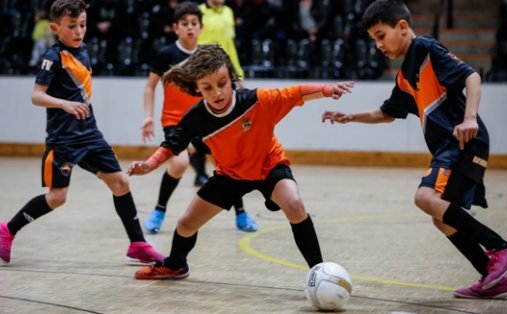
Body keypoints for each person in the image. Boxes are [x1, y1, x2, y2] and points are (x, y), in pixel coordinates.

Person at [321, 0, 507, 299]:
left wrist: (469, 118)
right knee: (440, 216)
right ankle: (493, 278)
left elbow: (472, 76)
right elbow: (386, 113)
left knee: (424, 197)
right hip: (452, 146)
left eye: (380, 35)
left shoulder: (427, 50)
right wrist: (350, 117)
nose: (378, 45)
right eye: (374, 39)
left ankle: (503, 248)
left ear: (402, 27)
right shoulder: (405, 76)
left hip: (462, 141)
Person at [128, 44, 354, 280]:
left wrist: (328, 89)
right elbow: (172, 144)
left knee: (294, 203)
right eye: (207, 87)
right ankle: (175, 265)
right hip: (230, 175)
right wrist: (149, 165)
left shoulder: (257, 101)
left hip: (269, 166)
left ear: (232, 78)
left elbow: (296, 93)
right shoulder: (197, 118)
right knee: (185, 224)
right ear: (197, 88)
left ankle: (320, 272)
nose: (217, 93)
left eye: (222, 83)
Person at [0, 0, 163, 265]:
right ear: (55, 28)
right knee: (58, 198)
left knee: (121, 183)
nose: (79, 31)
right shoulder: (53, 57)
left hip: (90, 134)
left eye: (82, 24)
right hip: (63, 139)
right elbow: (36, 96)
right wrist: (64, 104)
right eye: (72, 26)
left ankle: (138, 244)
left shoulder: (83, 50)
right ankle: (6, 230)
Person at [140, 1, 258, 233]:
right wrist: (148, 117)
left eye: (194, 23)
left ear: (201, 27)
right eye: (185, 24)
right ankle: (159, 210)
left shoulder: (206, 55)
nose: (190, 28)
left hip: (205, 120)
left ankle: (241, 215)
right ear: (176, 28)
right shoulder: (166, 55)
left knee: (227, 165)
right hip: (174, 120)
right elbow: (149, 87)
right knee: (180, 163)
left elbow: (229, 81)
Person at [197, 0, 244, 79]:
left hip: (223, 66)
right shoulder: (198, 11)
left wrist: (238, 72)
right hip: (202, 66)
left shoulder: (228, 11)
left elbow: (230, 45)